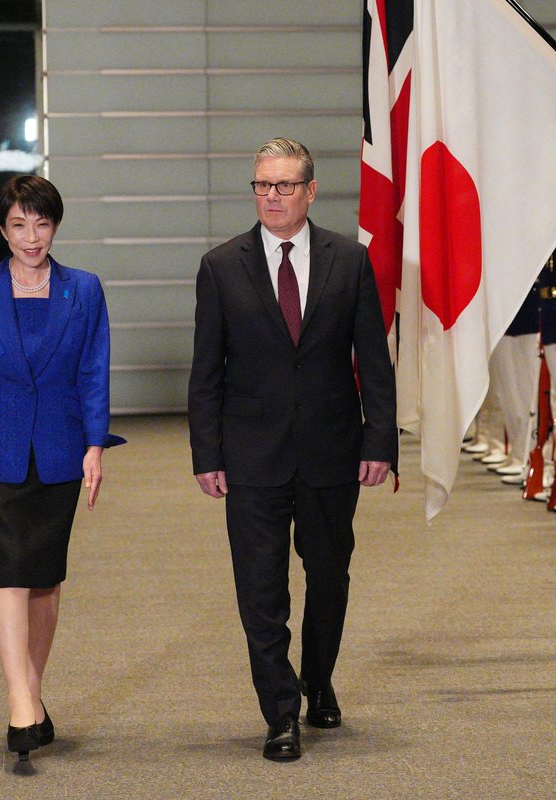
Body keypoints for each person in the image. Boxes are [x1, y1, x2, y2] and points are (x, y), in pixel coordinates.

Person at [188, 137, 396, 761]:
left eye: (282, 186)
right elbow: (206, 372)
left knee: (329, 577)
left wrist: (380, 438)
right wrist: (207, 453)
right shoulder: (221, 266)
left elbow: (373, 362)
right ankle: (280, 712)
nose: (270, 197)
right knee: (261, 588)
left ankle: (319, 679)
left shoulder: (350, 261)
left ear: (310, 190)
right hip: (251, 453)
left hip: (333, 449)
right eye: (260, 185)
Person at [0, 175, 122, 764]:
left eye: (41, 223)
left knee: (45, 580)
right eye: (18, 224)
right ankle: (18, 701)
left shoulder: (84, 289)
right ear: (1, 229)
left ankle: (35, 695)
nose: (31, 236)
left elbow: (93, 372)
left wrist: (94, 444)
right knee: (10, 571)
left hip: (60, 447)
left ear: (55, 226)